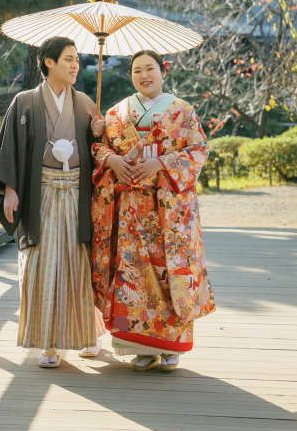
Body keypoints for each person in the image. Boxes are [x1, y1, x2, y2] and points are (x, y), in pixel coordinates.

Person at [90, 50, 214, 372]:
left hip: (168, 211)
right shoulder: (116, 113)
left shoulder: (182, 111)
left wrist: (161, 162)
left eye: (150, 69)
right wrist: (109, 157)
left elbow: (199, 149)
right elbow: (100, 148)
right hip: (129, 208)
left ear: (163, 72)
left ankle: (172, 347)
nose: (144, 75)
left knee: (168, 273)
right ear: (130, 76)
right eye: (136, 71)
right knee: (133, 276)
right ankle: (140, 347)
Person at [0, 37, 100, 368]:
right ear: (48, 62)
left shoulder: (84, 103)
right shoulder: (25, 102)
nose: (75, 66)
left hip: (77, 196)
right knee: (38, 267)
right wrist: (10, 187)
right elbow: (7, 147)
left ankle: (86, 336)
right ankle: (48, 344)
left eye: (78, 61)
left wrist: (98, 133)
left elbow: (101, 151)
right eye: (68, 59)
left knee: (79, 266)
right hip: (40, 195)